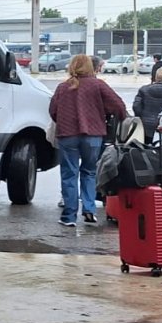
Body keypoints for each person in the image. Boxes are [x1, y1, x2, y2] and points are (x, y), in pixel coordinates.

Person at [49, 54, 127, 227]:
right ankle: (89, 210)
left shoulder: (63, 87)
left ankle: (69, 217)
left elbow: (53, 111)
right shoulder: (98, 85)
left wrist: (63, 122)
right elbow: (119, 106)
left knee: (69, 174)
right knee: (89, 172)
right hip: (93, 136)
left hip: (68, 136)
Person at [133, 65, 162, 143]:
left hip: (145, 126)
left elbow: (136, 106)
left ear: (156, 77)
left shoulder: (144, 89)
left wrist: (141, 117)